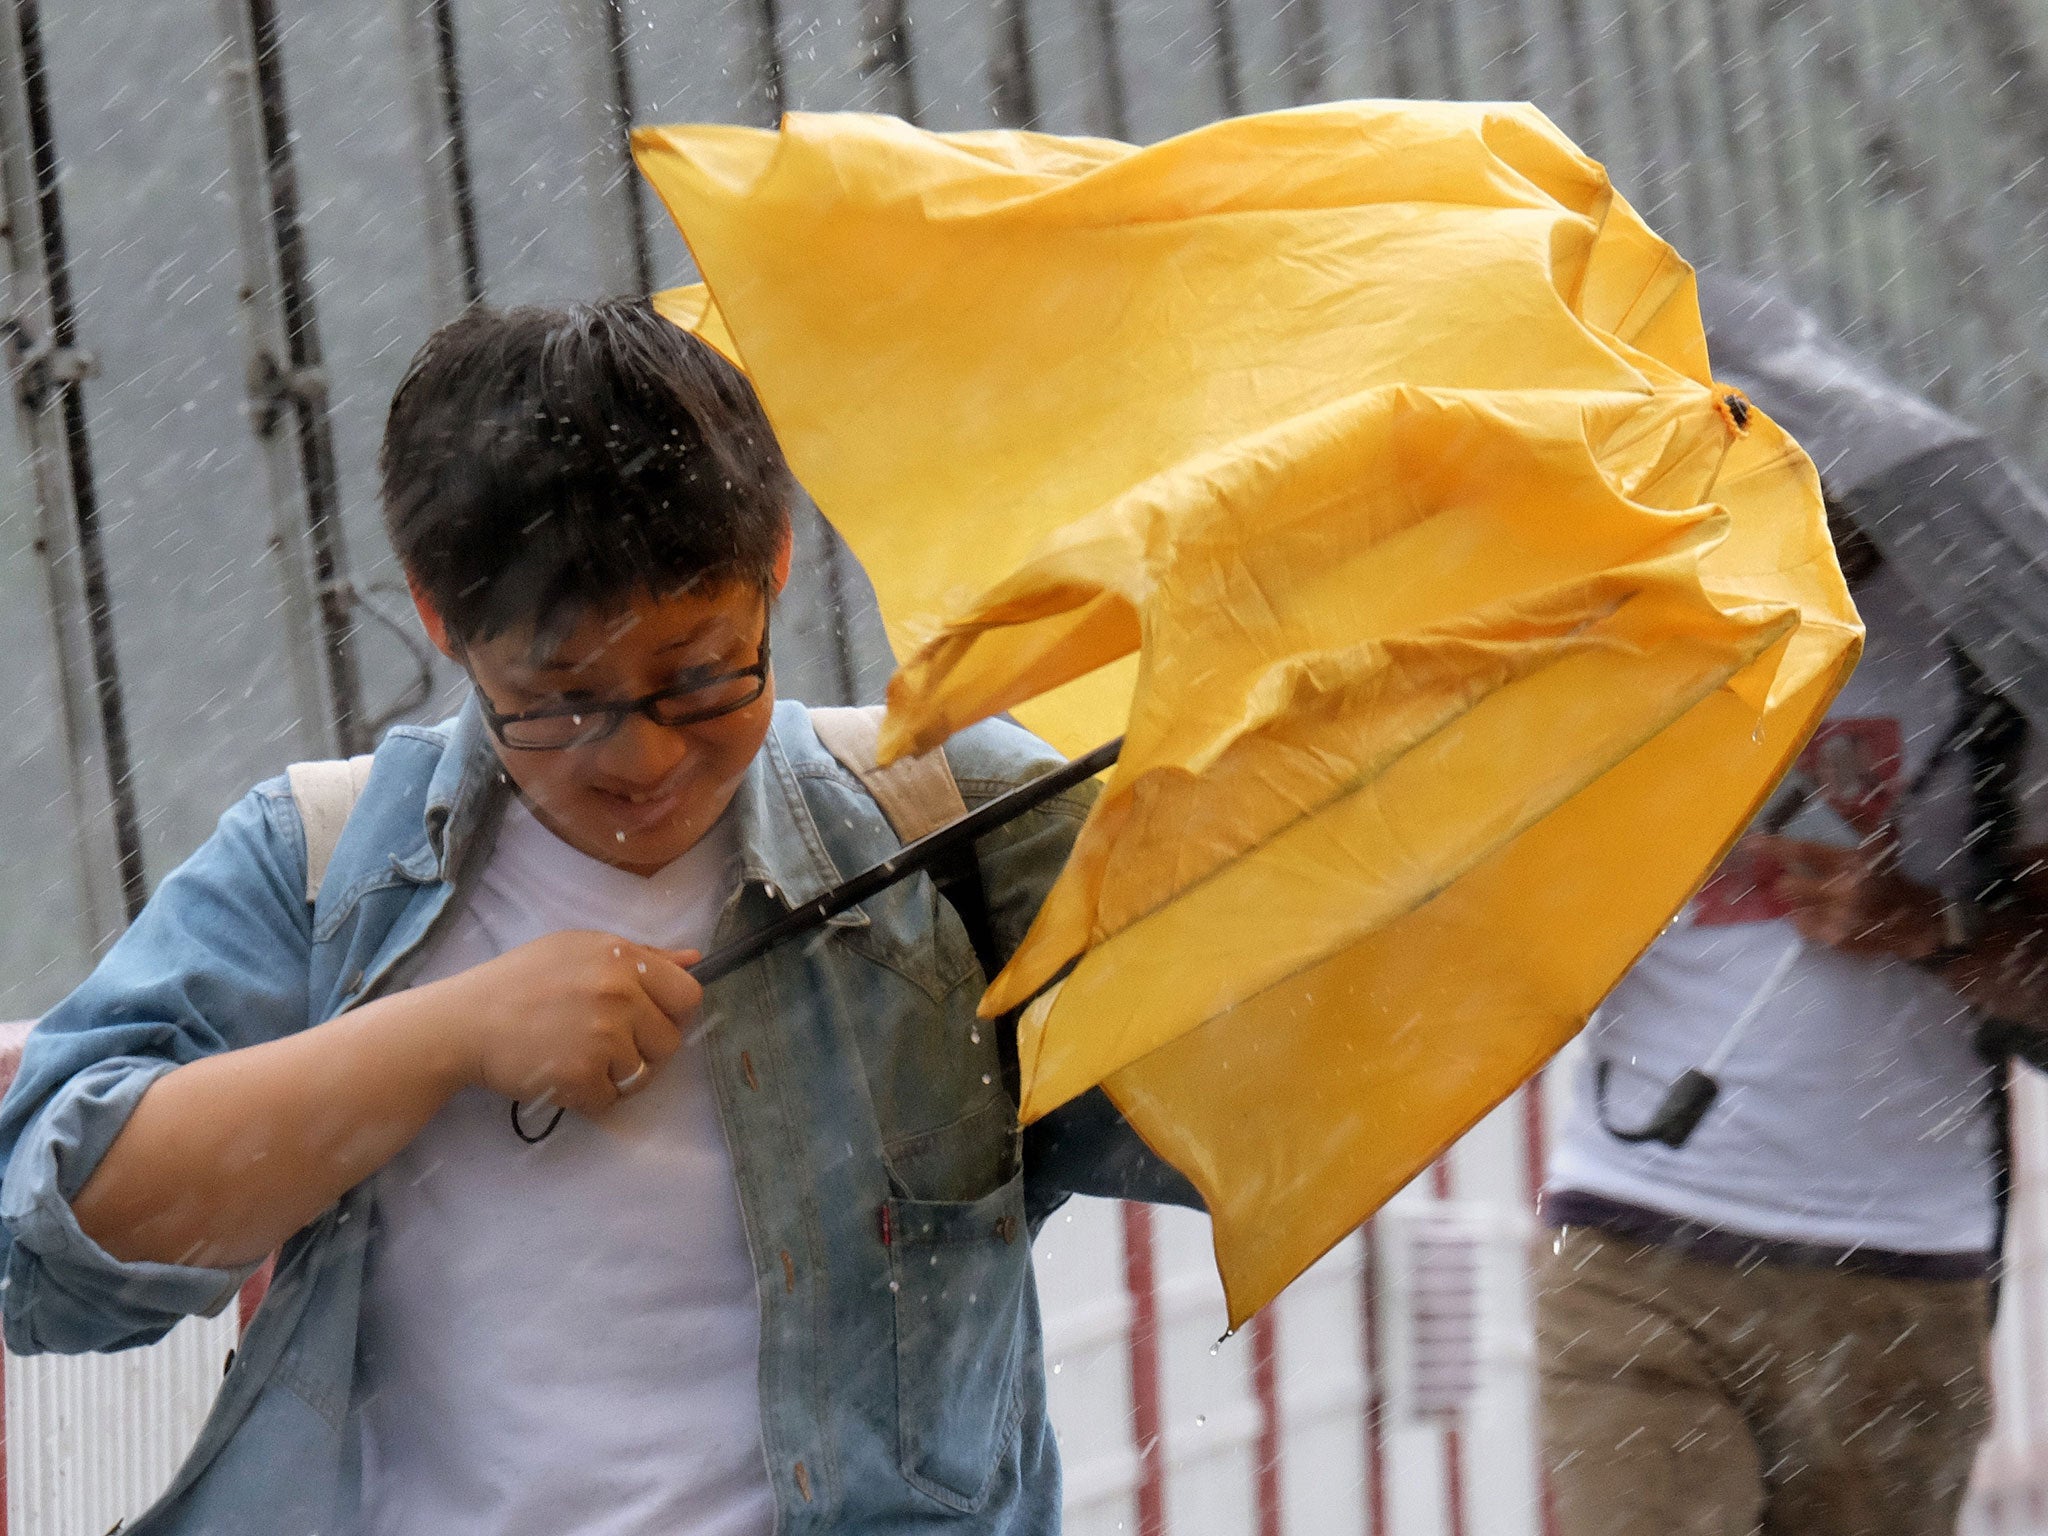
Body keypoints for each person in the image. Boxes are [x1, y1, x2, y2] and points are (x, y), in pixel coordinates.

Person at [0, 299, 1193, 1535]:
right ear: (436, 616)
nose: (639, 757)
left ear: (775, 559)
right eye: (559, 700)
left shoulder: (957, 826)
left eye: (699, 677)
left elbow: (1241, 1118)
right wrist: (440, 1038)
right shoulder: (312, 865)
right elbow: (51, 1257)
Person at [1535, 500, 2048, 1536]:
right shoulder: (1615, 618)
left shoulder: (1990, 648)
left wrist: (1922, 922)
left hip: (1897, 1277)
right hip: (1635, 1244)